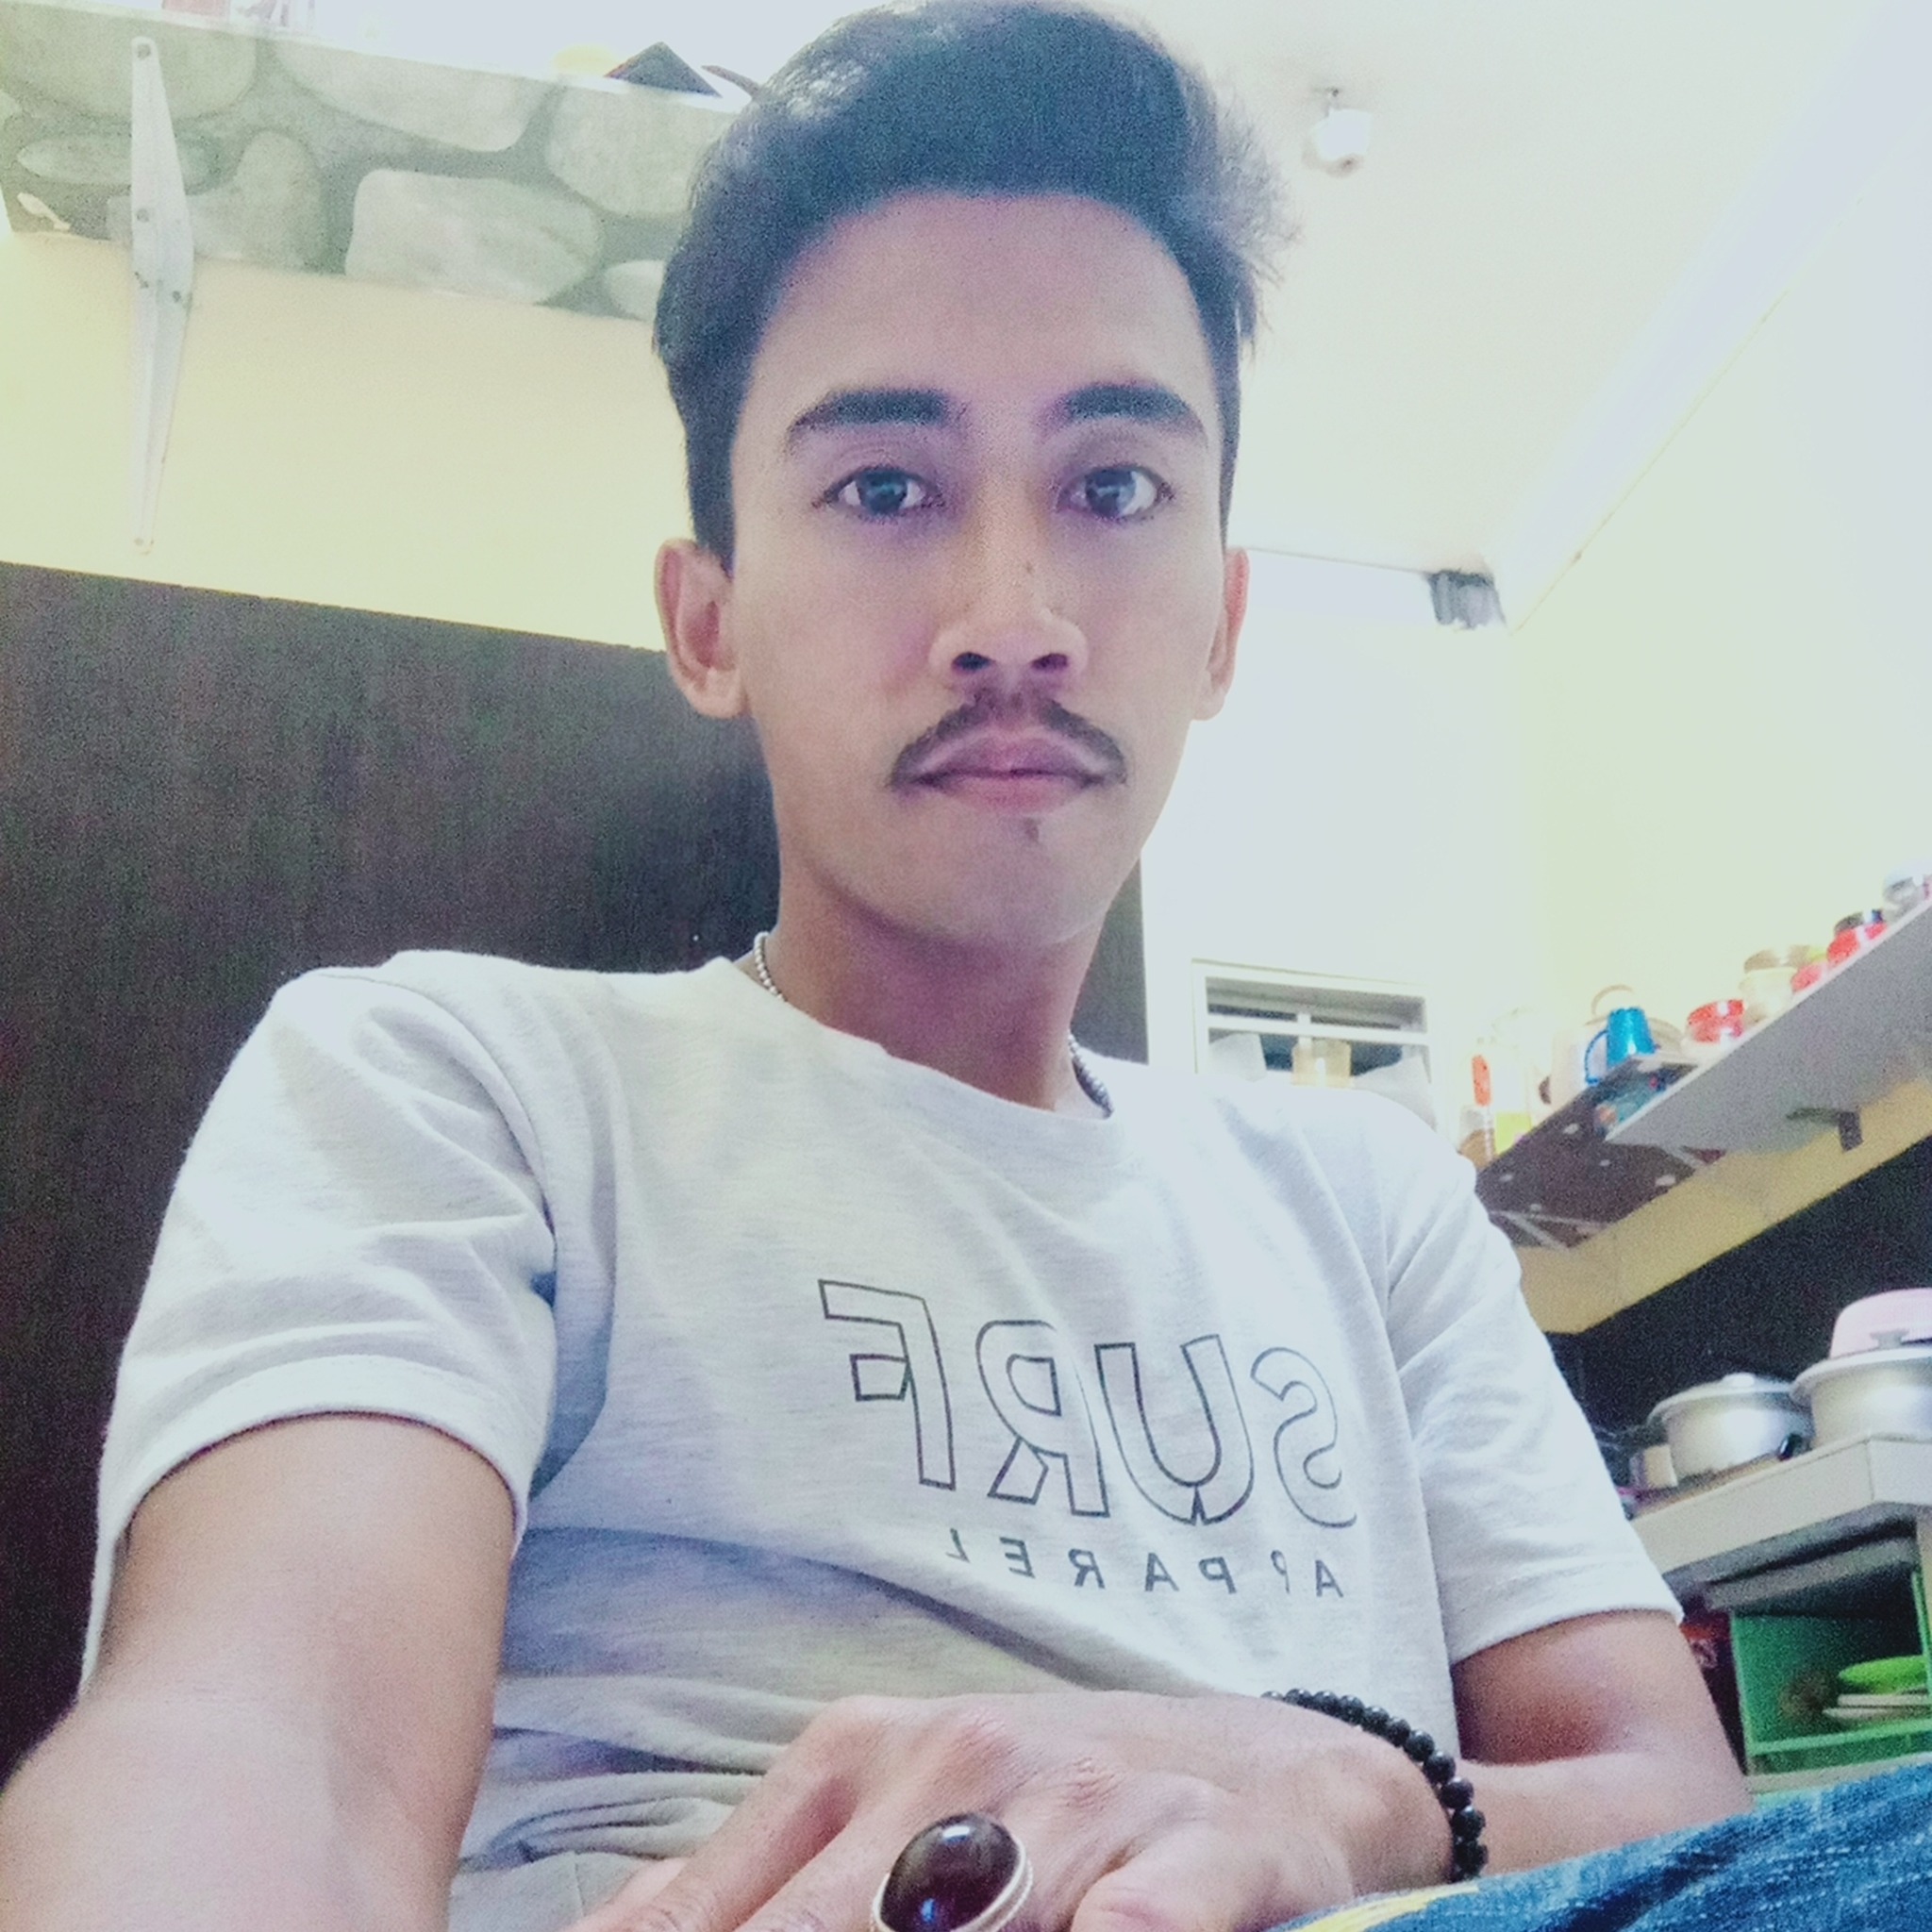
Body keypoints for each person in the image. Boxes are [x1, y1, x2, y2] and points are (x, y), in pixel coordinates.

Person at [9, 6, 1924, 1931]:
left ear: (1222, 624)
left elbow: (1666, 1801)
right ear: (707, 620)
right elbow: (273, 1740)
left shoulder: (1370, 1206)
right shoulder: (459, 1082)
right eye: (885, 488)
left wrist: (1349, 1784)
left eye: (1113, 488)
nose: (1013, 620)